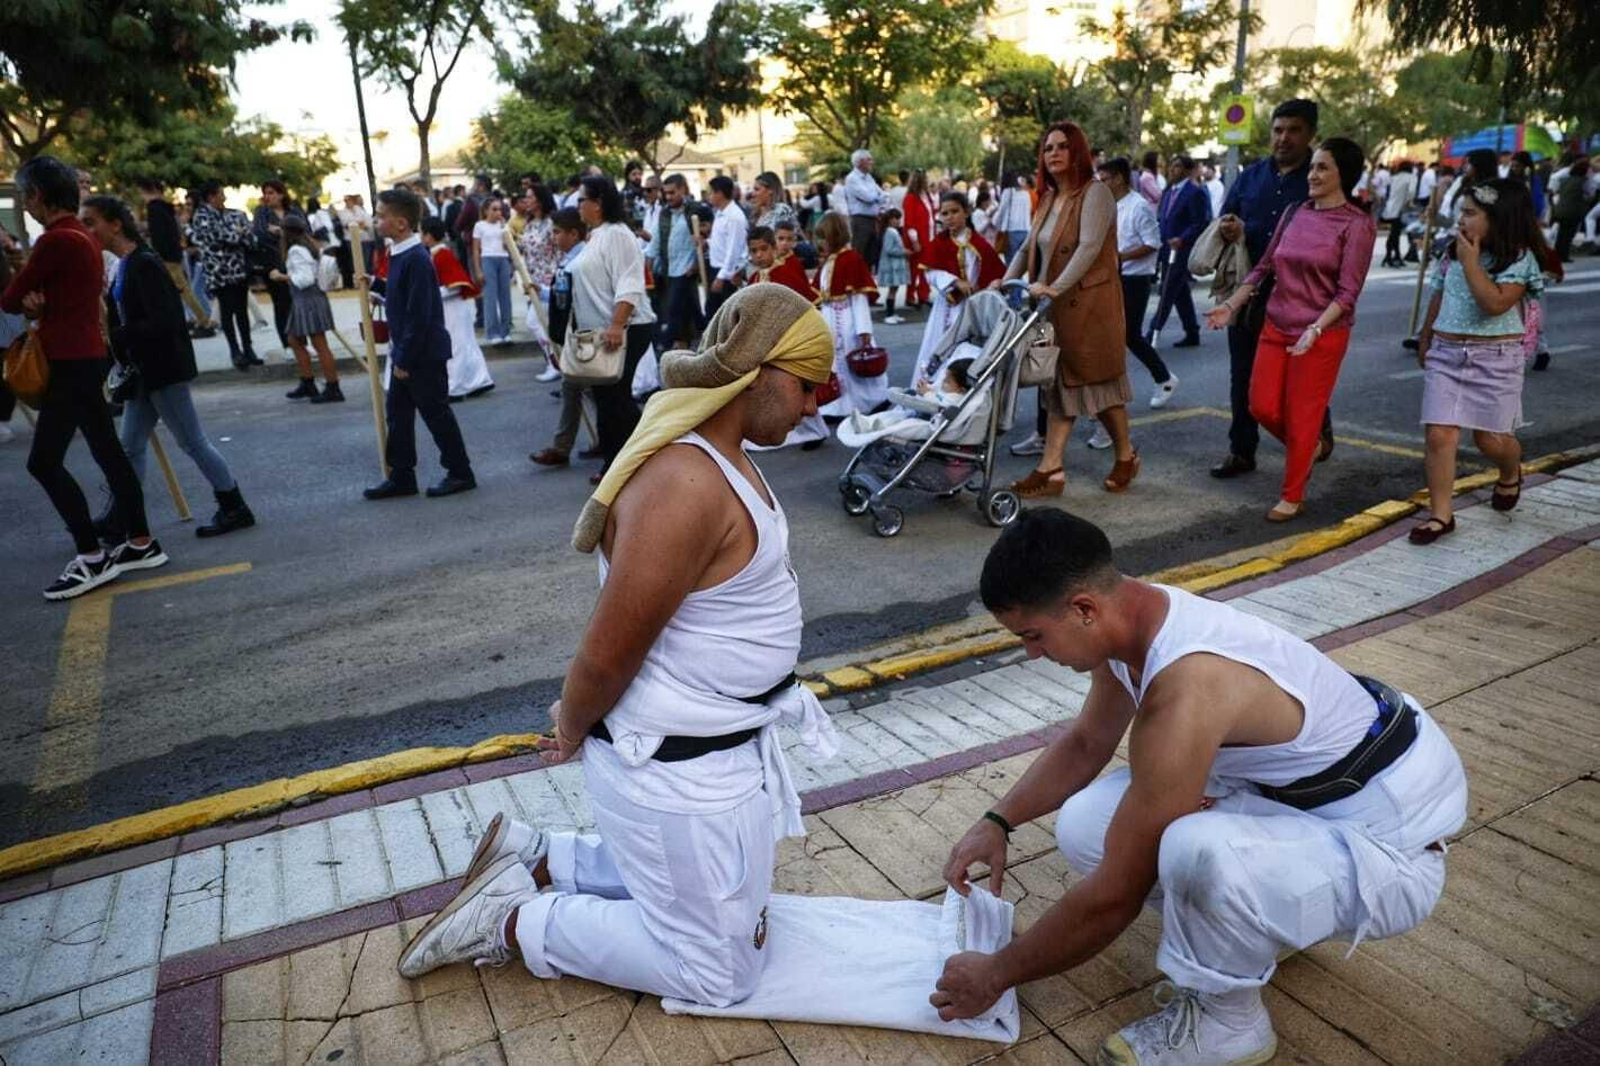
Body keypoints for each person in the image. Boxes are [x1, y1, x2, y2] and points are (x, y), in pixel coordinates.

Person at [395, 287, 840, 1009]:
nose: (816, 403)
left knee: (727, 912)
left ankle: (539, 857)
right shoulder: (685, 481)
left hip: (714, 762)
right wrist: (571, 723)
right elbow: (609, 650)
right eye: (807, 384)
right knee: (720, 976)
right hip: (672, 770)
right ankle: (509, 919)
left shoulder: (723, 461)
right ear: (758, 371)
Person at [930, 509, 1466, 1066]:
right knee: (1087, 824)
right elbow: (1088, 742)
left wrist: (998, 972)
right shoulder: (1135, 619)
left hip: (1394, 849)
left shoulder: (1186, 685)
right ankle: (1256, 931)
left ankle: (1230, 1025)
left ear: (1084, 608)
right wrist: (997, 821)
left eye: (1034, 636)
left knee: (1192, 850)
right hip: (1315, 801)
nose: (1033, 653)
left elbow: (1117, 895)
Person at [2, 156, 167, 599]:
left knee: (44, 461)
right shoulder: (81, 236)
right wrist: (39, 301)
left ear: (37, 195)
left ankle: (92, 557)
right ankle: (139, 540)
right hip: (86, 355)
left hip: (69, 360)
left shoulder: (56, 239)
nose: (27, 206)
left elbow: (12, 298)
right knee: (108, 451)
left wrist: (33, 300)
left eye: (26, 197)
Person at [1206, 138, 1376, 523]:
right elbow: (1264, 267)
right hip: (1277, 323)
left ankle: (1292, 494)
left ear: (1343, 176)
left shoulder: (1356, 224)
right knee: (1261, 406)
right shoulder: (1294, 211)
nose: (1313, 175)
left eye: (1323, 168)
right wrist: (1231, 306)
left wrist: (1316, 328)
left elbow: (1348, 293)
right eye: (1313, 167)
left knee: (1302, 414)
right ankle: (1309, 445)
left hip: (1321, 333)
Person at [83, 195, 256, 539]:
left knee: (192, 442)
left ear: (115, 224)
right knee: (129, 446)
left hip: (162, 370)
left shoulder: (144, 263)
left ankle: (234, 505)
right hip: (144, 372)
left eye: (91, 222)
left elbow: (164, 321)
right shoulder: (126, 264)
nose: (86, 230)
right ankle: (124, 515)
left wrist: (116, 335)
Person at [1002, 120, 1139, 498]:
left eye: (1062, 147)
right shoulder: (1047, 198)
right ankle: (1053, 470)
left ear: (1077, 151)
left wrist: (1053, 288)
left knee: (1099, 387)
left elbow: (1089, 248)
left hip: (1088, 307)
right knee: (1062, 386)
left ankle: (1124, 455)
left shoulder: (1095, 194)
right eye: (1048, 149)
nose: (1054, 154)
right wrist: (1003, 281)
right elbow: (1025, 248)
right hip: (1052, 307)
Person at [1409, 179, 1548, 545]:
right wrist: (1426, 335)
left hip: (1495, 360)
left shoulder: (1519, 259)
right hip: (1447, 353)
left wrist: (1472, 263)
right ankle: (1441, 515)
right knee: (1439, 433)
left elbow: (1495, 303)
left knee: (1490, 440)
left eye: (1470, 213)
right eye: (1460, 212)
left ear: (1498, 218)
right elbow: (1440, 294)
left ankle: (1509, 469)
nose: (1461, 221)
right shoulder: (1452, 253)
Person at [1208, 98, 1316, 481]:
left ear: (1310, 134)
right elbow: (1226, 216)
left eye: (1294, 130)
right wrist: (1230, 228)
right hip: (1248, 290)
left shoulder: (1319, 178)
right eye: (1278, 130)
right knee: (1243, 373)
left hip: (1301, 293)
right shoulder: (1251, 177)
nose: (1283, 138)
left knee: (1297, 373)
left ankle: (1315, 434)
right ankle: (1241, 450)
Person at [363, 188, 477, 501]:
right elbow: (399, 296)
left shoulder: (416, 258)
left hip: (421, 353)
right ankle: (402, 475)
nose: (376, 219)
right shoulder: (399, 252)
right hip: (408, 350)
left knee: (436, 413)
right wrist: (373, 283)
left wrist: (403, 359)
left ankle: (460, 472)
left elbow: (419, 315)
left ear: (400, 223)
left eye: (381, 215)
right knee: (397, 414)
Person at [573, 175, 657, 479]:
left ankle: (635, 460)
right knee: (607, 398)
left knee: (615, 399)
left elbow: (629, 283)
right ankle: (625, 460)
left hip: (626, 328)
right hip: (601, 329)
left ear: (598, 204)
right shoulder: (597, 234)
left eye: (582, 199)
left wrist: (617, 324)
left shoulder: (619, 235)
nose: (578, 205)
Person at [1099, 157, 1178, 411]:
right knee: (1112, 335)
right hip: (1113, 277)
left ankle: (1164, 378)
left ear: (1119, 178)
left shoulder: (1139, 206)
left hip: (1135, 279)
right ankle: (1107, 392)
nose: (1102, 184)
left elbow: (1153, 242)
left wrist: (1120, 257)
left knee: (1130, 335)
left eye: (1106, 179)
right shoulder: (1111, 204)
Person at [912, 193, 1004, 389]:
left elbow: (994, 271)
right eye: (944, 213)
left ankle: (958, 392)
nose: (949, 217)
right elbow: (930, 273)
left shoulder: (979, 244)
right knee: (939, 346)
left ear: (967, 212)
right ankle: (928, 388)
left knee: (964, 348)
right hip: (946, 306)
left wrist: (991, 285)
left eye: (955, 211)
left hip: (971, 306)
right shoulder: (939, 243)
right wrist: (954, 282)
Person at [530, 208, 595, 469]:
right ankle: (563, 447)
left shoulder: (583, 260)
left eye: (557, 232)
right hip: (575, 334)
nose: (554, 237)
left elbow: (575, 295)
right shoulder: (570, 258)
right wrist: (543, 292)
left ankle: (623, 446)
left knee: (600, 392)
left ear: (573, 233)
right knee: (575, 388)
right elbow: (563, 292)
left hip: (587, 333)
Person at [812, 212, 883, 418]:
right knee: (835, 364)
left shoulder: (851, 259)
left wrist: (863, 329)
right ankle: (838, 404)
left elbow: (859, 299)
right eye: (819, 238)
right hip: (829, 320)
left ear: (835, 236)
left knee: (854, 363)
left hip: (848, 321)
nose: (820, 243)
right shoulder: (827, 263)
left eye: (823, 237)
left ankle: (866, 401)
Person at [270, 215, 345, 404]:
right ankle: (308, 382)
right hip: (309, 299)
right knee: (294, 339)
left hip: (307, 299)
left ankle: (332, 387)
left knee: (319, 345)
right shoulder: (308, 246)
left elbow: (305, 280)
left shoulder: (296, 250)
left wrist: (281, 276)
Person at [420, 217, 495, 400]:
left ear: (429, 235)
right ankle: (479, 381)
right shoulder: (437, 253)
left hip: (452, 308)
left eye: (422, 232)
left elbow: (455, 286)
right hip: (452, 308)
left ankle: (455, 387)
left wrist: (430, 295)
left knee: (455, 346)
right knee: (465, 344)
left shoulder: (442, 254)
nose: (420, 236)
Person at [189, 179, 261, 370]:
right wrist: (238, 233)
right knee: (227, 313)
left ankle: (248, 348)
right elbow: (222, 237)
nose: (225, 197)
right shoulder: (202, 216)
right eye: (221, 193)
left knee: (242, 312)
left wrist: (238, 234)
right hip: (219, 274)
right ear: (211, 197)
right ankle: (235, 351)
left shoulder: (235, 214)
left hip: (239, 271)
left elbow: (251, 239)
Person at [135, 178, 214, 335]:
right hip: (174, 254)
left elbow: (159, 236)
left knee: (183, 290)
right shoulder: (166, 208)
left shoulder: (154, 209)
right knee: (182, 290)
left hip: (166, 257)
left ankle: (204, 321)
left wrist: (159, 255)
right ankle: (199, 319)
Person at [1147, 155, 1210, 348]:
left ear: (1187, 170)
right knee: (1180, 292)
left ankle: (1151, 333)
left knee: (1166, 291)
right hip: (1167, 249)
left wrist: (1183, 238)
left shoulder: (1194, 192)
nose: (1172, 170)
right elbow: (1164, 218)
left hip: (1183, 250)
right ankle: (1192, 332)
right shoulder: (1169, 192)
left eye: (1177, 166)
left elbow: (1200, 222)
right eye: (1171, 166)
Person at [649, 174, 705, 351]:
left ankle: (663, 348)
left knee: (672, 310)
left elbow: (706, 239)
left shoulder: (696, 211)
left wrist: (696, 263)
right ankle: (704, 338)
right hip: (668, 269)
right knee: (691, 310)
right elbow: (656, 242)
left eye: (672, 192)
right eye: (666, 193)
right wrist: (648, 269)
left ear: (683, 189)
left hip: (687, 270)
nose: (669, 197)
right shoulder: (664, 213)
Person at [252, 179, 303, 354]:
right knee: (281, 305)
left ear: (281, 194)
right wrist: (285, 233)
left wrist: (278, 230)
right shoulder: (261, 212)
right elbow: (259, 235)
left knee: (299, 304)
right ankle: (288, 345)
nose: (267, 196)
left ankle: (302, 342)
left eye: (271, 192)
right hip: (273, 265)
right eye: (265, 193)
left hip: (297, 263)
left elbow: (305, 232)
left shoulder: (294, 210)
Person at [470, 197, 514, 346]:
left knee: (505, 297)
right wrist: (478, 270)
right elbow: (475, 249)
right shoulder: (479, 225)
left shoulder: (503, 226)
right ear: (485, 211)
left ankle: (505, 331)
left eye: (500, 209)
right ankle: (492, 333)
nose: (498, 212)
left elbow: (509, 245)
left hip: (503, 259)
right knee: (490, 297)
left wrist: (504, 226)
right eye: (494, 209)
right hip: (487, 259)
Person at [704, 175, 748, 322]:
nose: (708, 196)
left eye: (711, 192)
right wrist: (707, 242)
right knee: (713, 313)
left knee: (725, 315)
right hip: (716, 268)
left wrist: (722, 277)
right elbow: (722, 242)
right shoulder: (720, 213)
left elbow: (733, 250)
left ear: (720, 193)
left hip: (727, 273)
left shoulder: (735, 216)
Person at [901, 170, 936, 308]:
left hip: (929, 236)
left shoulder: (926, 196)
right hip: (918, 238)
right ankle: (910, 296)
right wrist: (914, 241)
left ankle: (923, 295)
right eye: (925, 179)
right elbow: (909, 222)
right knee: (914, 268)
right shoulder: (910, 198)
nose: (927, 181)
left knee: (926, 268)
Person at [844, 148, 885, 260]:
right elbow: (869, 197)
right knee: (859, 253)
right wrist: (875, 196)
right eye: (869, 160)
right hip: (860, 220)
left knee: (871, 254)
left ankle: (867, 276)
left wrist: (875, 196)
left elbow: (883, 196)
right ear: (860, 162)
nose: (872, 162)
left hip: (873, 220)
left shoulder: (869, 177)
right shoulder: (852, 178)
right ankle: (856, 277)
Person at [875, 208, 910, 324]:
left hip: (895, 265)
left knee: (895, 289)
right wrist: (903, 252)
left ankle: (892, 313)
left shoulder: (893, 231)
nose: (898, 221)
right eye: (895, 218)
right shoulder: (890, 232)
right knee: (892, 290)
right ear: (889, 220)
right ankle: (889, 314)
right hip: (891, 266)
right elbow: (889, 249)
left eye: (899, 218)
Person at [1551, 159, 1590, 263]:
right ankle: (1564, 256)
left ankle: (1557, 255)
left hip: (1560, 210)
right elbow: (1588, 195)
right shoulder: (1583, 181)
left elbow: (1557, 191)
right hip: (1572, 212)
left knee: (1561, 234)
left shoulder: (1565, 179)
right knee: (1568, 235)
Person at [1381, 161, 1418, 268]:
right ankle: (1391, 256)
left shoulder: (1394, 177)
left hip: (1390, 208)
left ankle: (1393, 256)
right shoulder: (1411, 177)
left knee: (1394, 233)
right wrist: (1408, 201)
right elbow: (1411, 191)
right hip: (1401, 209)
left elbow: (1388, 190)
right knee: (1395, 234)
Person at [994, 171, 1033, 266]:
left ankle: (1012, 280)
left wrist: (995, 223)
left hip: (1011, 231)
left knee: (1011, 264)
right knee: (1020, 264)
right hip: (1026, 231)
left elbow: (1001, 211)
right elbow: (1029, 210)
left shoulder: (1008, 192)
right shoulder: (1026, 193)